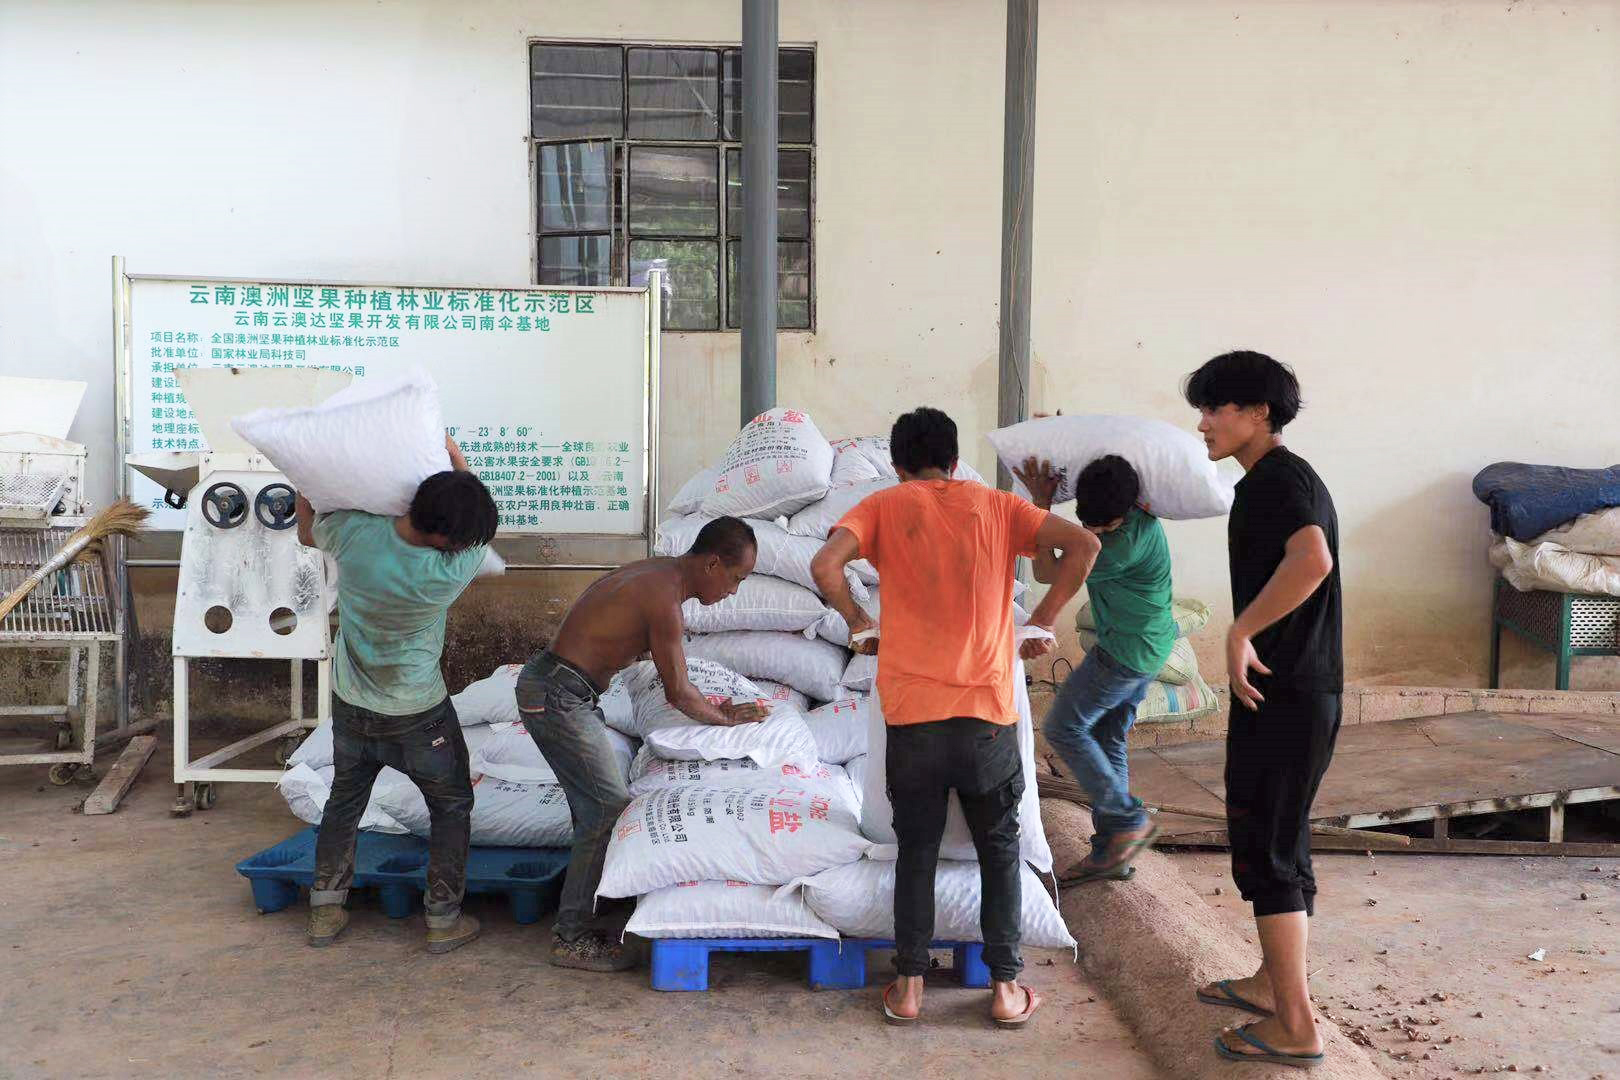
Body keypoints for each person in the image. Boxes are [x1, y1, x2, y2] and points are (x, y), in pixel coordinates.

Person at [810, 407, 1100, 1029]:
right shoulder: (996, 506)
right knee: (999, 851)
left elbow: (823, 567)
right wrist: (1042, 618)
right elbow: (1084, 545)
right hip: (986, 716)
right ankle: (1004, 990)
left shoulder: (884, 507)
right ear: (954, 455)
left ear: (897, 463)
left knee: (916, 849)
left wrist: (860, 623)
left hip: (912, 717)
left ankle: (909, 988)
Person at [517, 516, 769, 972]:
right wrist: (726, 717)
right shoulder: (664, 598)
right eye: (736, 579)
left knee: (591, 808)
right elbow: (679, 692)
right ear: (713, 564)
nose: (733, 591)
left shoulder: (658, 573)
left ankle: (590, 910)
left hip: (562, 689)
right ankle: (569, 936)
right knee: (607, 807)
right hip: (557, 694)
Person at [1185, 350, 1341, 1069]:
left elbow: (1312, 560)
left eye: (1218, 407)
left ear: (1260, 414)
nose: (1205, 422)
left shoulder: (1276, 480)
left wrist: (1241, 629)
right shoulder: (1275, 481)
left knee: (1269, 848)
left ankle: (1297, 1026)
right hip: (1294, 690)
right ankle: (1266, 985)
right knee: (1275, 837)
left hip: (1288, 692)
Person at [298, 435, 498, 953]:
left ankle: (325, 910)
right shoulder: (454, 567)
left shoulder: (356, 534)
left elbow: (305, 527)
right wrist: (458, 459)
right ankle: (442, 919)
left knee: (345, 798)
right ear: (445, 536)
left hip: (352, 703)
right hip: (419, 713)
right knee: (451, 805)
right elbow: (472, 535)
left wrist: (304, 472)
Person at [1014, 453, 1175, 884]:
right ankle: (1111, 852)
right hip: (1148, 644)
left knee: (1065, 728)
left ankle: (1126, 822)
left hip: (1125, 652)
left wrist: (1041, 509)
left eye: (1106, 525)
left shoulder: (1115, 548)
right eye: (1092, 522)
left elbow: (1046, 571)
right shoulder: (1140, 515)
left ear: (1124, 512)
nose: (1097, 533)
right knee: (1107, 736)